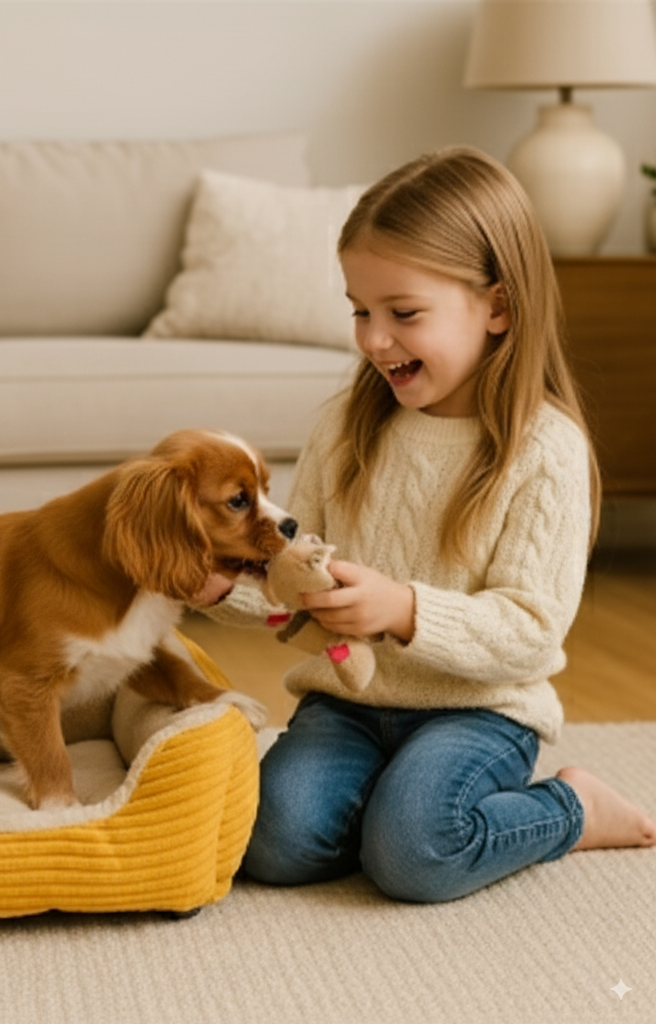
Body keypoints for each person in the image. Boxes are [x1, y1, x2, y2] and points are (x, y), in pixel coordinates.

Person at [211, 146, 656, 903]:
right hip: (349, 702)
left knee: (414, 855)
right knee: (272, 843)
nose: (373, 339)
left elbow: (531, 628)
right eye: (359, 310)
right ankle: (387, 800)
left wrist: (406, 610)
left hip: (479, 710)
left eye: (403, 314)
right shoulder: (345, 427)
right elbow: (296, 585)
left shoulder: (544, 449)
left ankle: (571, 807)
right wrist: (220, 585)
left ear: (498, 307)